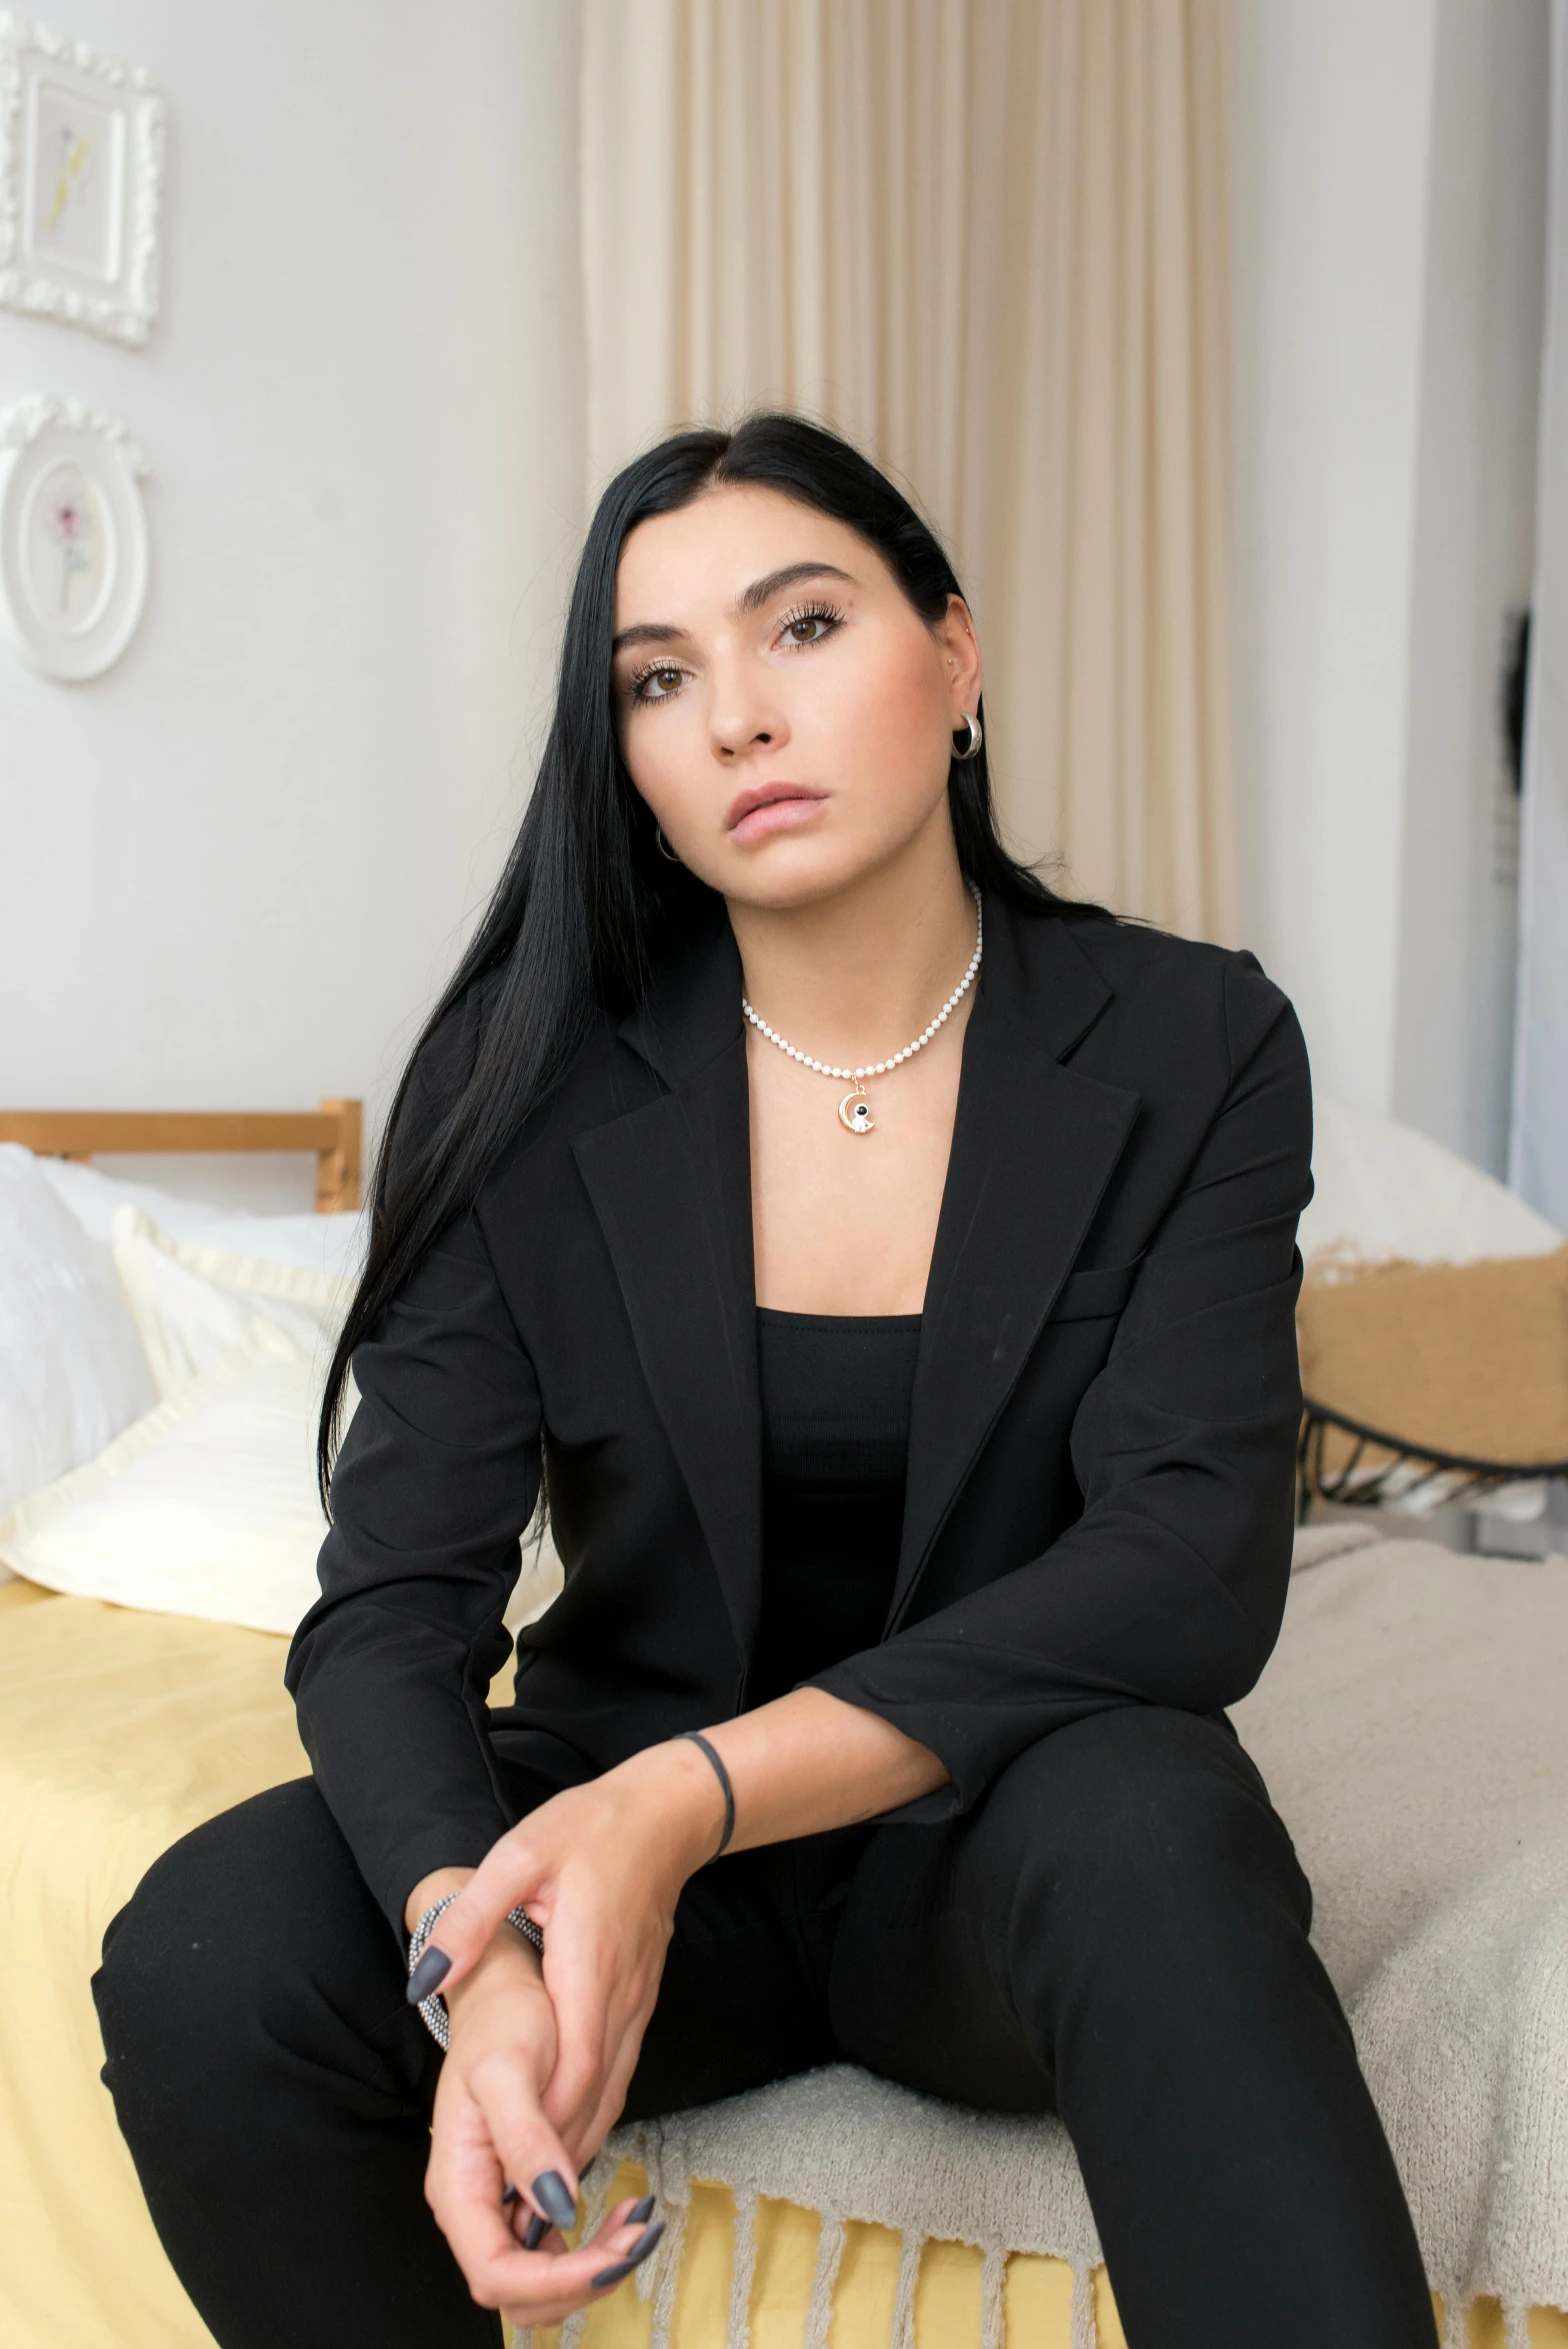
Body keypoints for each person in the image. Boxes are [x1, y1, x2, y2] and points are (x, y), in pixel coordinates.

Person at [93, 414, 1439, 2349]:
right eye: (660, 678)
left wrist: (688, 1802)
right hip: (630, 1856)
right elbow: (391, 1608)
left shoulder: (1192, 1039)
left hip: (990, 1821)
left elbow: (1189, 1561)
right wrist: (473, 1962)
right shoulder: (524, 1082)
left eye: (800, 627)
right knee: (208, 1955)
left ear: (955, 660)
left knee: (1163, 1830)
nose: (735, 715)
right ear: (628, 762)